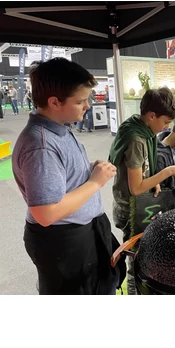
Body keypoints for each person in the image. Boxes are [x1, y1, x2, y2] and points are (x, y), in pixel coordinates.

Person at [11, 57, 125, 295]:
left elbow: (60, 174)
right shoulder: (40, 145)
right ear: (54, 102)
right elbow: (46, 213)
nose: (88, 106)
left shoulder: (59, 128)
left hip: (81, 232)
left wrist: (87, 168)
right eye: (80, 101)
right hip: (64, 241)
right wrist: (95, 182)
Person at [109, 87, 175, 294]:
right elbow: (136, 188)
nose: (167, 127)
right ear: (152, 115)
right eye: (165, 122)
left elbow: (142, 172)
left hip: (136, 204)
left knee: (143, 255)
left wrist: (153, 179)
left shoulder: (140, 127)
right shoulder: (137, 139)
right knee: (136, 260)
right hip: (131, 209)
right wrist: (167, 172)